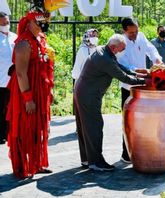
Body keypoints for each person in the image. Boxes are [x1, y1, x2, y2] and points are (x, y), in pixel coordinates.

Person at [6, 0, 68, 178]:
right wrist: (28, 99)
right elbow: (20, 74)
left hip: (41, 94)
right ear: (30, 22)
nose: (43, 25)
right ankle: (22, 166)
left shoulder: (41, 40)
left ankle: (37, 163)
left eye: (45, 22)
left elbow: (45, 68)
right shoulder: (23, 44)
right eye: (40, 22)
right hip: (27, 94)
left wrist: (49, 91)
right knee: (24, 129)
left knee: (39, 129)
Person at [74, 34, 150, 171]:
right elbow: (124, 77)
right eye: (121, 49)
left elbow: (120, 67)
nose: (122, 52)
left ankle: (87, 159)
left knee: (86, 126)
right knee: (94, 126)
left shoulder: (104, 51)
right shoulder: (104, 59)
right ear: (113, 47)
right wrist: (146, 81)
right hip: (88, 95)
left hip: (84, 91)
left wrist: (139, 74)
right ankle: (96, 162)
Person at [117, 17, 162, 163]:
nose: (134, 34)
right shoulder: (120, 43)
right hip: (128, 87)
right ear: (124, 31)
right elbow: (122, 66)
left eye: (136, 31)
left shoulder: (141, 36)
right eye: (131, 33)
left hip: (143, 86)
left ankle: (141, 150)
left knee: (143, 120)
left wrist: (156, 59)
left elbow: (151, 49)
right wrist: (139, 71)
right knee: (128, 121)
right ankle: (127, 153)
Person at [71, 29, 99, 138]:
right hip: (83, 82)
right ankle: (81, 128)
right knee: (82, 107)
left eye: (96, 36)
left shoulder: (96, 49)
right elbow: (76, 70)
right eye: (93, 36)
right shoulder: (82, 50)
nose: (95, 38)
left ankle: (89, 127)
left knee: (92, 106)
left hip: (94, 83)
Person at [0, 12, 17, 144]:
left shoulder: (14, 37)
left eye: (7, 22)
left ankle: (8, 133)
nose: (6, 25)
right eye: (3, 23)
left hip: (14, 81)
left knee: (11, 108)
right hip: (0, 80)